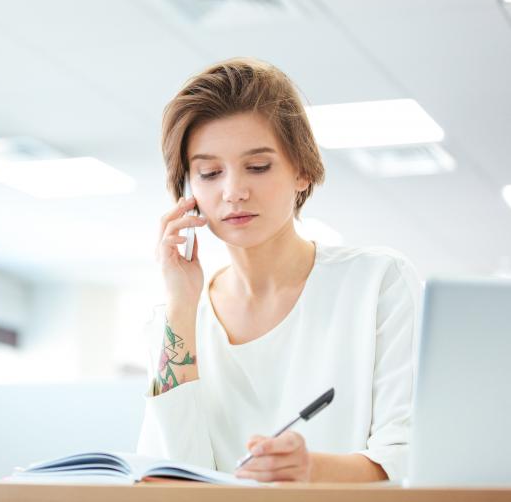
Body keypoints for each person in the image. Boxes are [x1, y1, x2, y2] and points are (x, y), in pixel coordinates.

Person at [136, 57, 423, 483]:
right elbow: (172, 477)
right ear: (189, 191)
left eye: (258, 166)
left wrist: (310, 470)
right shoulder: (177, 321)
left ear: (302, 170)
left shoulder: (379, 283)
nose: (233, 191)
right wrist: (180, 306)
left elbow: (411, 460)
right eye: (210, 173)